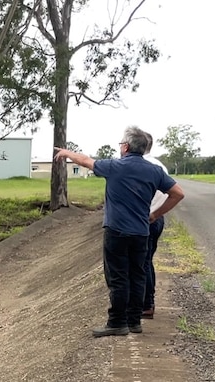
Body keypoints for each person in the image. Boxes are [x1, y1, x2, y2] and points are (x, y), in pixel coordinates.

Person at [54, 126, 185, 337]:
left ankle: (117, 322)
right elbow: (178, 194)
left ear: (125, 146)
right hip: (142, 232)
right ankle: (134, 322)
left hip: (117, 232)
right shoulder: (155, 171)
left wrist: (66, 152)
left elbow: (86, 161)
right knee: (137, 275)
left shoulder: (114, 166)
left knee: (118, 278)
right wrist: (156, 214)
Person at [142, 131, 168, 319]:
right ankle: (146, 302)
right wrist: (158, 214)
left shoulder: (143, 166)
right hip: (157, 218)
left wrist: (152, 214)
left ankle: (147, 304)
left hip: (146, 219)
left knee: (142, 262)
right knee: (147, 260)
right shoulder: (160, 166)